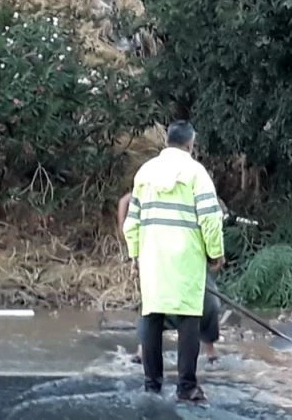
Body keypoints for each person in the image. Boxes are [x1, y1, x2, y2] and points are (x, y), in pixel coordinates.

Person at [122, 120, 225, 402]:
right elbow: (210, 219)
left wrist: (135, 255)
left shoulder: (145, 172)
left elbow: (132, 222)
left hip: (153, 260)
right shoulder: (196, 172)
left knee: (152, 317)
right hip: (186, 260)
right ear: (191, 143)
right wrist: (215, 252)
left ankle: (152, 386)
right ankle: (186, 386)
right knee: (188, 321)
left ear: (167, 141)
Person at [117, 192, 222, 366]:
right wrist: (128, 241)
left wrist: (215, 252)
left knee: (209, 303)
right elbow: (126, 200)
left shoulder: (194, 183)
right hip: (158, 253)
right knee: (154, 303)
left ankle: (210, 350)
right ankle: (142, 351)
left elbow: (211, 221)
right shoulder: (153, 181)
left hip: (191, 250)